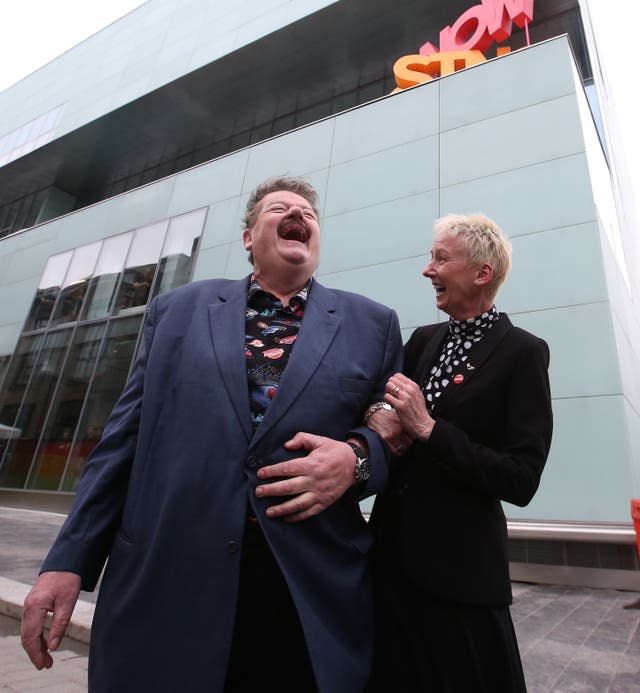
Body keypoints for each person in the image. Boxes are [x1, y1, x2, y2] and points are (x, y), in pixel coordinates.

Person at [21, 176, 402, 693]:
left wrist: (357, 459)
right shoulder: (176, 311)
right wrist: (67, 561)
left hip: (304, 586)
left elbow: (389, 430)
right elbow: (122, 442)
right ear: (248, 238)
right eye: (278, 208)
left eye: (308, 212)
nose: (298, 213)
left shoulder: (373, 324)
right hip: (171, 576)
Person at [366, 213, 553, 693]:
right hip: (389, 567)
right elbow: (382, 403)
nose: (427, 269)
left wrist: (428, 428)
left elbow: (521, 479)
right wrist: (378, 416)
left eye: (440, 258)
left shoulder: (523, 352)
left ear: (481, 273)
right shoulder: (423, 340)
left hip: (461, 583)